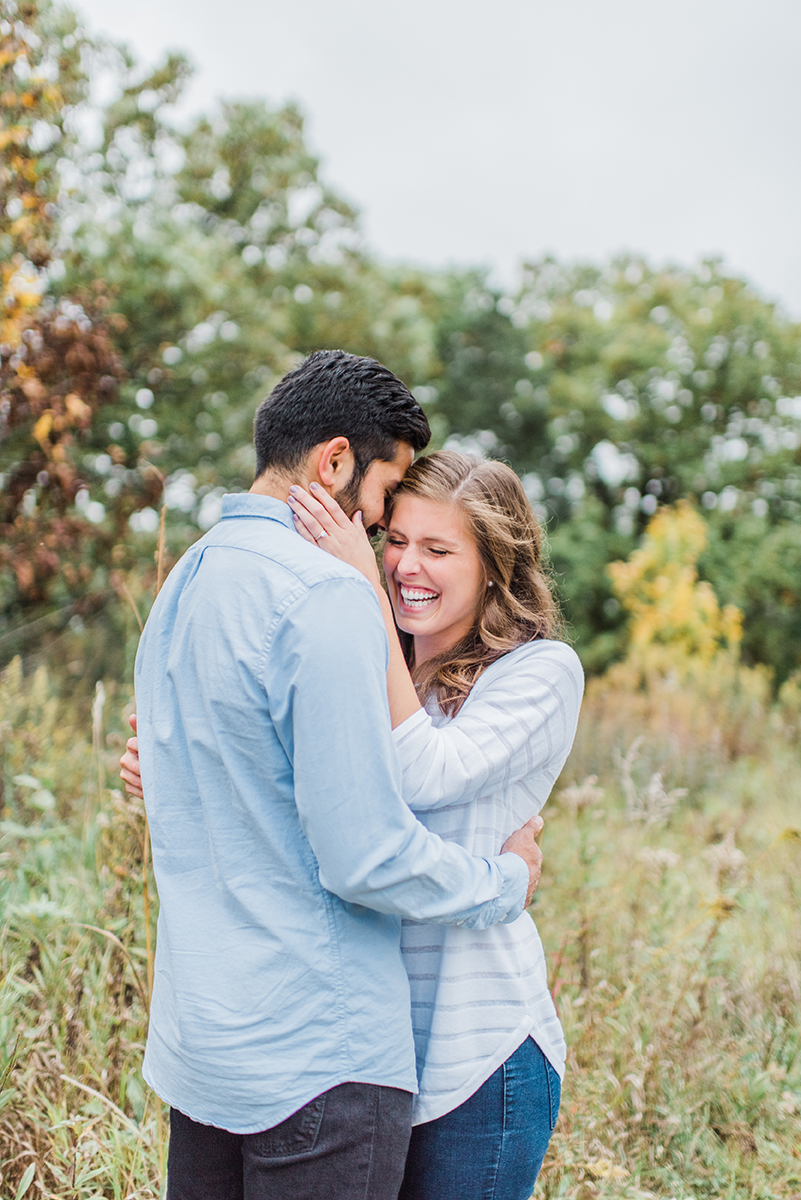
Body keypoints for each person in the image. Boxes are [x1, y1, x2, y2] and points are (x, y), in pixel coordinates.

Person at [128, 349, 546, 1200]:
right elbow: (362, 857)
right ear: (334, 463)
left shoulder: (185, 583)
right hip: (318, 1056)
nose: (387, 540)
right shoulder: (324, 593)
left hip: (204, 1049)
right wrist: (504, 880)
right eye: (388, 499)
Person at [286, 450, 583, 1199]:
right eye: (393, 541)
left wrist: (359, 594)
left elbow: (423, 773)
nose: (403, 567)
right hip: (367, 1057)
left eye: (437, 549)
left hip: (478, 1058)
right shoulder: (372, 667)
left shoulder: (539, 672)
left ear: (493, 566)